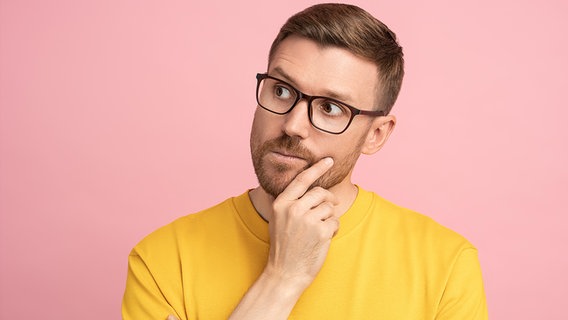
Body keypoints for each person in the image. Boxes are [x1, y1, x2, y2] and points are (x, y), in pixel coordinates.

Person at [122, 3, 488, 319]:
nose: (293, 125)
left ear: (376, 134)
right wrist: (282, 279)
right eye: (281, 91)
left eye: (330, 108)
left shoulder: (445, 266)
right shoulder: (163, 261)